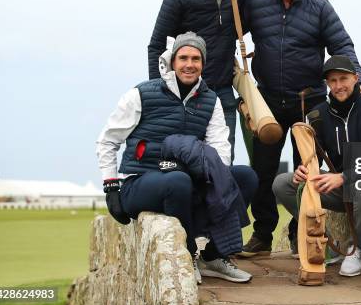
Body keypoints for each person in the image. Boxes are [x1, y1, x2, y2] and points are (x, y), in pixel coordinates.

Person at [239, 0, 361, 257]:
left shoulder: (319, 6)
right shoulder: (254, 2)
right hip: (266, 101)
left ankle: (301, 231)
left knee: (306, 170)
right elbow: (227, 26)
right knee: (262, 171)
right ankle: (262, 234)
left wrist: (360, 82)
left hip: (308, 103)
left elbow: (341, 44)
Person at [97, 32, 257, 283]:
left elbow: (219, 148)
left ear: (203, 64)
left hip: (187, 181)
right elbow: (108, 140)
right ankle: (188, 253)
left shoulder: (210, 99)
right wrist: (110, 187)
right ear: (173, 61)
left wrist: (217, 182)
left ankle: (214, 256)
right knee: (178, 181)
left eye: (196, 58)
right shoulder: (141, 93)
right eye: (183, 57)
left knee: (245, 177)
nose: (189, 64)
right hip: (140, 180)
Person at [272, 55, 361, 276]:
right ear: (327, 84)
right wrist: (303, 170)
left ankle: (357, 250)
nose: (338, 86)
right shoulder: (317, 115)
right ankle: (326, 244)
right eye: (332, 81)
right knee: (283, 184)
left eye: (343, 79)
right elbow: (312, 160)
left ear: (356, 78)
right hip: (342, 187)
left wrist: (343, 177)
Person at [147, 0, 252, 162]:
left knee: (222, 163)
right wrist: (159, 91)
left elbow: (268, 9)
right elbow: (156, 45)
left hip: (223, 92)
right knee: (182, 160)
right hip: (186, 93)